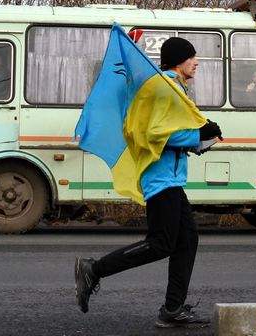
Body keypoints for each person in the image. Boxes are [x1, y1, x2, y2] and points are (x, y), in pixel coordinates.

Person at [74, 36, 222, 328]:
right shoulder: (164, 88)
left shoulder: (175, 88)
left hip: (171, 178)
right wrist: (197, 136)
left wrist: (201, 140)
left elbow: (171, 132)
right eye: (192, 57)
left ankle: (172, 309)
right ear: (179, 60)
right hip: (160, 179)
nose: (197, 62)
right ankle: (94, 269)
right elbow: (154, 134)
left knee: (186, 240)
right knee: (161, 243)